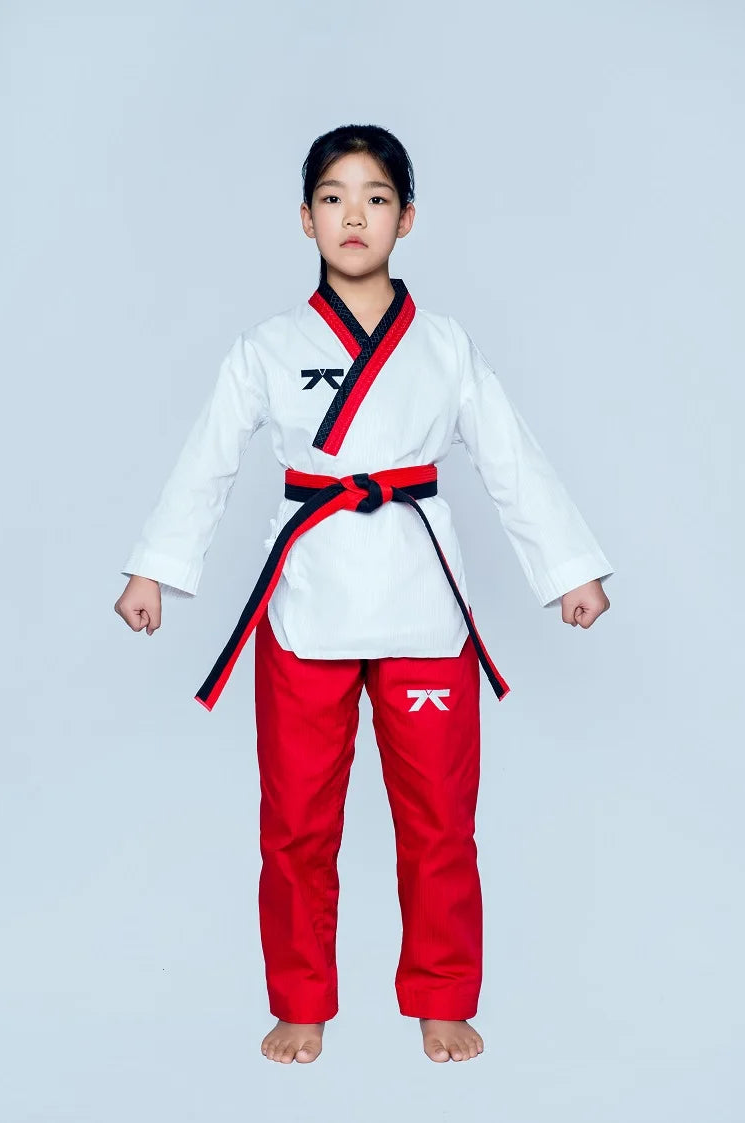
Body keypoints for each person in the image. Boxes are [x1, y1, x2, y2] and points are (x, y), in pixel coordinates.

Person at [114, 123, 614, 1065]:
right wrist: (157, 568)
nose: (355, 215)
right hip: (306, 604)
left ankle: (442, 997)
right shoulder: (268, 346)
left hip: (424, 605)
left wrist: (567, 568)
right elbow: (208, 458)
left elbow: (509, 456)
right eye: (334, 197)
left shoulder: (445, 345)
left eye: (376, 197)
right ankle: (301, 1000)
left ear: (407, 218)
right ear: (305, 219)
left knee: (440, 823)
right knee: (296, 824)